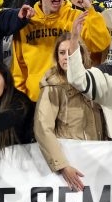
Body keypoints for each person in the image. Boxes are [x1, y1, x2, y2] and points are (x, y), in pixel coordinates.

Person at [10, 0, 111, 102]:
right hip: (36, 99)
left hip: (71, 98)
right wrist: (22, 99)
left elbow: (101, 44)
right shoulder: (27, 22)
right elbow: (19, 68)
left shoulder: (76, 17)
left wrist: (90, 10)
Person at [35, 33, 104, 192]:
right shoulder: (52, 85)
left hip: (97, 162)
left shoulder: (94, 79)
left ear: (82, 53)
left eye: (71, 51)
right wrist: (62, 166)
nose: (66, 57)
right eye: (61, 53)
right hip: (70, 165)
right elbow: (42, 128)